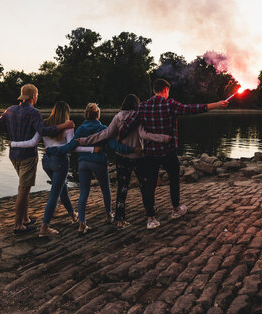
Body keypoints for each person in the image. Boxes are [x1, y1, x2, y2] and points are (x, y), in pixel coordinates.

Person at [118, 79, 228, 228]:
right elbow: (192, 109)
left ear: (154, 90)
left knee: (149, 185)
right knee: (174, 179)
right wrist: (216, 104)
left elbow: (128, 125)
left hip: (150, 153)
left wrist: (118, 137)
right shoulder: (170, 104)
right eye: (168, 91)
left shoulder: (143, 106)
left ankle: (151, 218)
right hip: (168, 151)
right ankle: (176, 209)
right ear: (165, 90)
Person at [0, 84, 74, 234]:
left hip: (14, 156)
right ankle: (18, 225)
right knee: (23, 190)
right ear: (33, 97)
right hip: (28, 157)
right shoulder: (34, 112)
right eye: (37, 95)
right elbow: (43, 131)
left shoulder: (10, 110)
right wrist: (63, 125)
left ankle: (25, 219)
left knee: (25, 187)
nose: (37, 97)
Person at [76, 94, 171, 230]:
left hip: (122, 158)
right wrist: (163, 139)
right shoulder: (140, 117)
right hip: (139, 157)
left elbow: (105, 134)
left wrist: (85, 141)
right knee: (145, 187)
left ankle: (120, 220)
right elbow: (146, 135)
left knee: (122, 188)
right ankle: (151, 217)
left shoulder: (118, 117)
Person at [9, 101, 102, 237]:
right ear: (66, 112)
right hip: (60, 162)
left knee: (61, 187)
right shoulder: (68, 126)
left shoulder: (44, 124)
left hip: (46, 162)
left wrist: (14, 144)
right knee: (54, 194)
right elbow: (73, 147)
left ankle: (72, 215)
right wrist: (93, 149)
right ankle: (44, 227)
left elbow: (32, 142)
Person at [46, 103, 136, 234]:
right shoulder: (104, 128)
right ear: (98, 115)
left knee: (84, 193)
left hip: (83, 163)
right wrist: (133, 149)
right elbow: (115, 147)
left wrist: (53, 150)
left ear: (86, 114)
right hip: (99, 162)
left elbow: (70, 146)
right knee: (105, 189)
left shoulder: (81, 129)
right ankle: (109, 215)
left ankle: (82, 223)